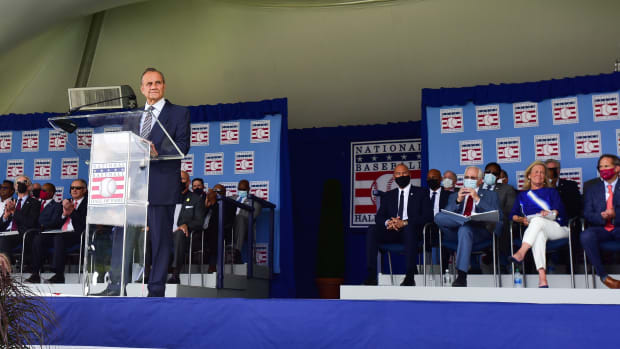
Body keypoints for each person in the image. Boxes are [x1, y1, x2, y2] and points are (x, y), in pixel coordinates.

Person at [126, 68, 191, 297]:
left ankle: (155, 290)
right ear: (142, 88)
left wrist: (157, 152)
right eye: (149, 83)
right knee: (126, 237)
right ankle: (118, 285)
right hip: (134, 186)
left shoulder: (179, 113)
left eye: (158, 83)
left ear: (164, 86)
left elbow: (182, 146)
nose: (154, 87)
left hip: (161, 185)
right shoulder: (133, 116)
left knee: (161, 238)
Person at [364, 164, 433, 286]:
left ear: (410, 174)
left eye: (404, 173)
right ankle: (371, 276)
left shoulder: (421, 193)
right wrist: (388, 222)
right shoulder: (389, 195)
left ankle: (410, 276)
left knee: (409, 229)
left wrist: (405, 222)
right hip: (393, 232)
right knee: (372, 230)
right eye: (398, 174)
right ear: (394, 177)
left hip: (412, 232)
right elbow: (379, 217)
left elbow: (428, 216)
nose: (401, 176)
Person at [434, 166, 501, 287]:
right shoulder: (454, 195)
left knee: (465, 229)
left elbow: (497, 215)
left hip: (478, 232)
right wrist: (459, 201)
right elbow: (446, 214)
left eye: (473, 178)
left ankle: (461, 276)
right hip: (455, 232)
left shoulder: (491, 195)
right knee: (438, 217)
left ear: (480, 181)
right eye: (466, 177)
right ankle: (465, 220)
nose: (469, 179)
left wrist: (477, 198)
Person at [509, 161, 568, 288]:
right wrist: (521, 219)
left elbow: (559, 211)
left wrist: (550, 212)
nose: (539, 174)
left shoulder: (552, 192)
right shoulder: (522, 195)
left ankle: (521, 252)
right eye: (536, 172)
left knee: (537, 220)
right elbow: (513, 215)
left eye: (542, 172)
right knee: (539, 235)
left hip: (558, 227)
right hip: (537, 230)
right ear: (529, 175)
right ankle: (542, 278)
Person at [580, 154, 620, 289]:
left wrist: (615, 215)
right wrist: (602, 217)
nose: (603, 169)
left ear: (617, 168)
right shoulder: (591, 188)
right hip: (602, 228)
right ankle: (604, 276)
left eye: (606, 166)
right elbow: (587, 213)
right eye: (600, 167)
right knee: (586, 235)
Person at [168, 171, 206, 284]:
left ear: (188, 182)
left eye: (183, 179)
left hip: (186, 236)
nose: (180, 181)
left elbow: (199, 222)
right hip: (166, 232)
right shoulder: (168, 198)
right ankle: (147, 273)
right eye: (177, 179)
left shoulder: (196, 199)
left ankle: (175, 274)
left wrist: (186, 225)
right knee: (149, 233)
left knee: (179, 233)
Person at [26, 183, 64, 283]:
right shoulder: (36, 204)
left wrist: (43, 225)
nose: (41, 192)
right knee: (30, 238)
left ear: (51, 193)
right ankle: (28, 268)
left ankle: (35, 273)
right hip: (34, 233)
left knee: (37, 240)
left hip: (48, 234)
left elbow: (55, 221)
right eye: (41, 190)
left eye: (44, 190)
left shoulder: (56, 206)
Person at [481, 162, 516, 269]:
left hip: (499, 222)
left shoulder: (507, 189)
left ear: (498, 176)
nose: (490, 175)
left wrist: (493, 215)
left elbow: (509, 211)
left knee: (499, 223)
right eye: (488, 172)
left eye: (494, 173)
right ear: (484, 173)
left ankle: (498, 259)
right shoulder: (477, 189)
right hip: (479, 224)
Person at [0, 176, 40, 264]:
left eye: (24, 182)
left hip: (22, 234)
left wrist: (14, 211)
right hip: (6, 232)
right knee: (3, 238)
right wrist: (5, 216)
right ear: (15, 187)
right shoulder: (11, 202)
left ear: (29, 187)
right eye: (18, 183)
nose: (21, 185)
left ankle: (7, 270)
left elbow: (30, 223)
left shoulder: (35, 203)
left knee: (3, 239)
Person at [203, 184, 235, 273]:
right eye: (214, 192)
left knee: (214, 231)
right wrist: (206, 207)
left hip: (220, 231)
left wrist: (214, 204)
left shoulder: (229, 204)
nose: (216, 194)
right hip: (202, 230)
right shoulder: (205, 202)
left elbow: (224, 219)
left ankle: (212, 264)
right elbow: (199, 217)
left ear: (224, 193)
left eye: (218, 192)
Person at [231, 180, 262, 260]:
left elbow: (253, 216)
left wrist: (238, 217)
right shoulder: (231, 198)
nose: (241, 191)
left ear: (249, 189)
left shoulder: (255, 201)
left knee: (240, 218)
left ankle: (236, 254)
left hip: (245, 227)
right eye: (240, 189)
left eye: (244, 189)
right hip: (230, 225)